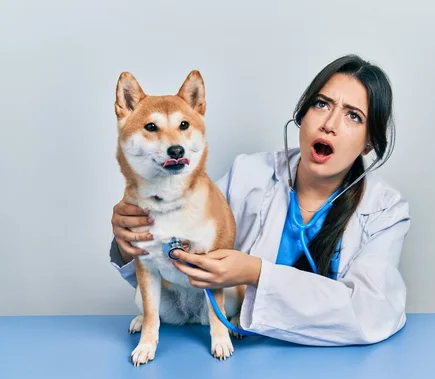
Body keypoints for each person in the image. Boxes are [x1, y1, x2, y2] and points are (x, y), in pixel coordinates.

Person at [109, 54, 411, 346]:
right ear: (302, 115)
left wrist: (255, 273)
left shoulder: (385, 211)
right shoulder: (248, 175)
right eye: (321, 104)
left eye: (353, 116)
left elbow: (372, 313)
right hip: (245, 361)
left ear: (369, 142)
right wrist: (127, 243)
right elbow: (175, 270)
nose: (329, 124)